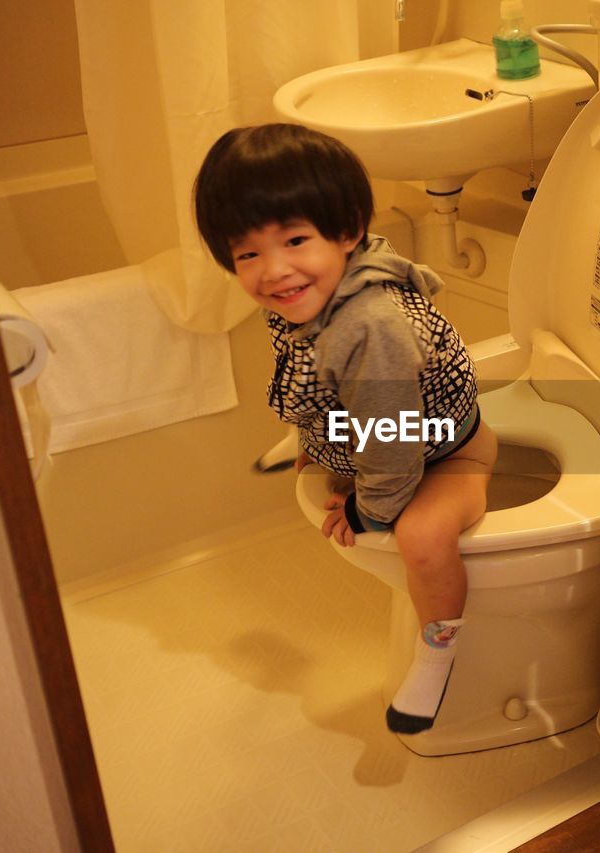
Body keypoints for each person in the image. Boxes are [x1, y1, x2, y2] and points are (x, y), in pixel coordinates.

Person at [193, 124, 496, 734]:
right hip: (378, 418)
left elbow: (393, 440)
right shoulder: (314, 280)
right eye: (247, 253)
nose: (273, 271)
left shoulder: (370, 327)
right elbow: (315, 369)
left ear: (348, 233)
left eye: (295, 240)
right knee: (329, 398)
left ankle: (437, 655)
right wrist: (317, 437)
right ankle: (311, 439)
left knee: (422, 537)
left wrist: (371, 511)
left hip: (444, 452)